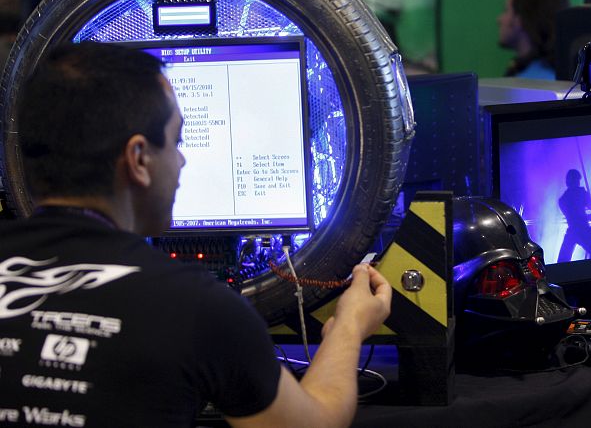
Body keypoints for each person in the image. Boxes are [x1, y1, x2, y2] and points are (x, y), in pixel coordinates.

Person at [0, 42, 392, 428]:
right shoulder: (193, 307)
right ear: (138, 160)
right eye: (177, 140)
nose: (182, 160)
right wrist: (348, 327)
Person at [497, 0, 569, 80]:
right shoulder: (561, 75)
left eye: (506, 10)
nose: (499, 19)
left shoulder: (527, 86)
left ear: (520, 19)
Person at [557, 169, 591, 262]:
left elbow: (575, 211)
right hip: (581, 229)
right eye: (577, 180)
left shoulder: (563, 199)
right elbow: (587, 207)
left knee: (563, 259)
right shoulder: (580, 194)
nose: (578, 183)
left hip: (574, 230)